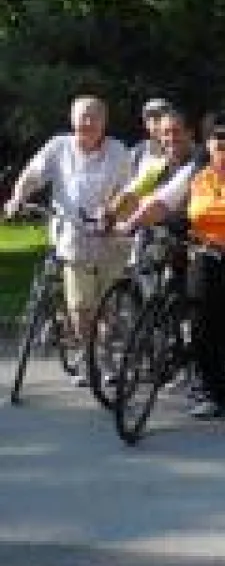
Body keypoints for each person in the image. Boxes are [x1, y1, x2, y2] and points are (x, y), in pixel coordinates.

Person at [121, 111, 225, 423]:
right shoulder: (195, 173)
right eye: (219, 137)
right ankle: (209, 392)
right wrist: (133, 222)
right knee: (204, 327)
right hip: (203, 257)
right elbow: (162, 202)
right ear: (207, 143)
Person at [4, 95, 133, 386]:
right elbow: (32, 174)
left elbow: (128, 191)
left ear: (104, 122)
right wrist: (17, 197)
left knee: (107, 306)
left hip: (111, 239)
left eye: (94, 117)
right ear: (72, 120)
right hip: (73, 238)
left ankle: (106, 357)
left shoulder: (118, 151)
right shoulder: (58, 147)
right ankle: (89, 361)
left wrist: (111, 212)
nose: (87, 123)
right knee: (80, 307)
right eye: (82, 117)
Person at [130, 98, 171, 172]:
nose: (153, 122)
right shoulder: (137, 152)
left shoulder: (179, 147)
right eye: (149, 118)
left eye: (158, 117)